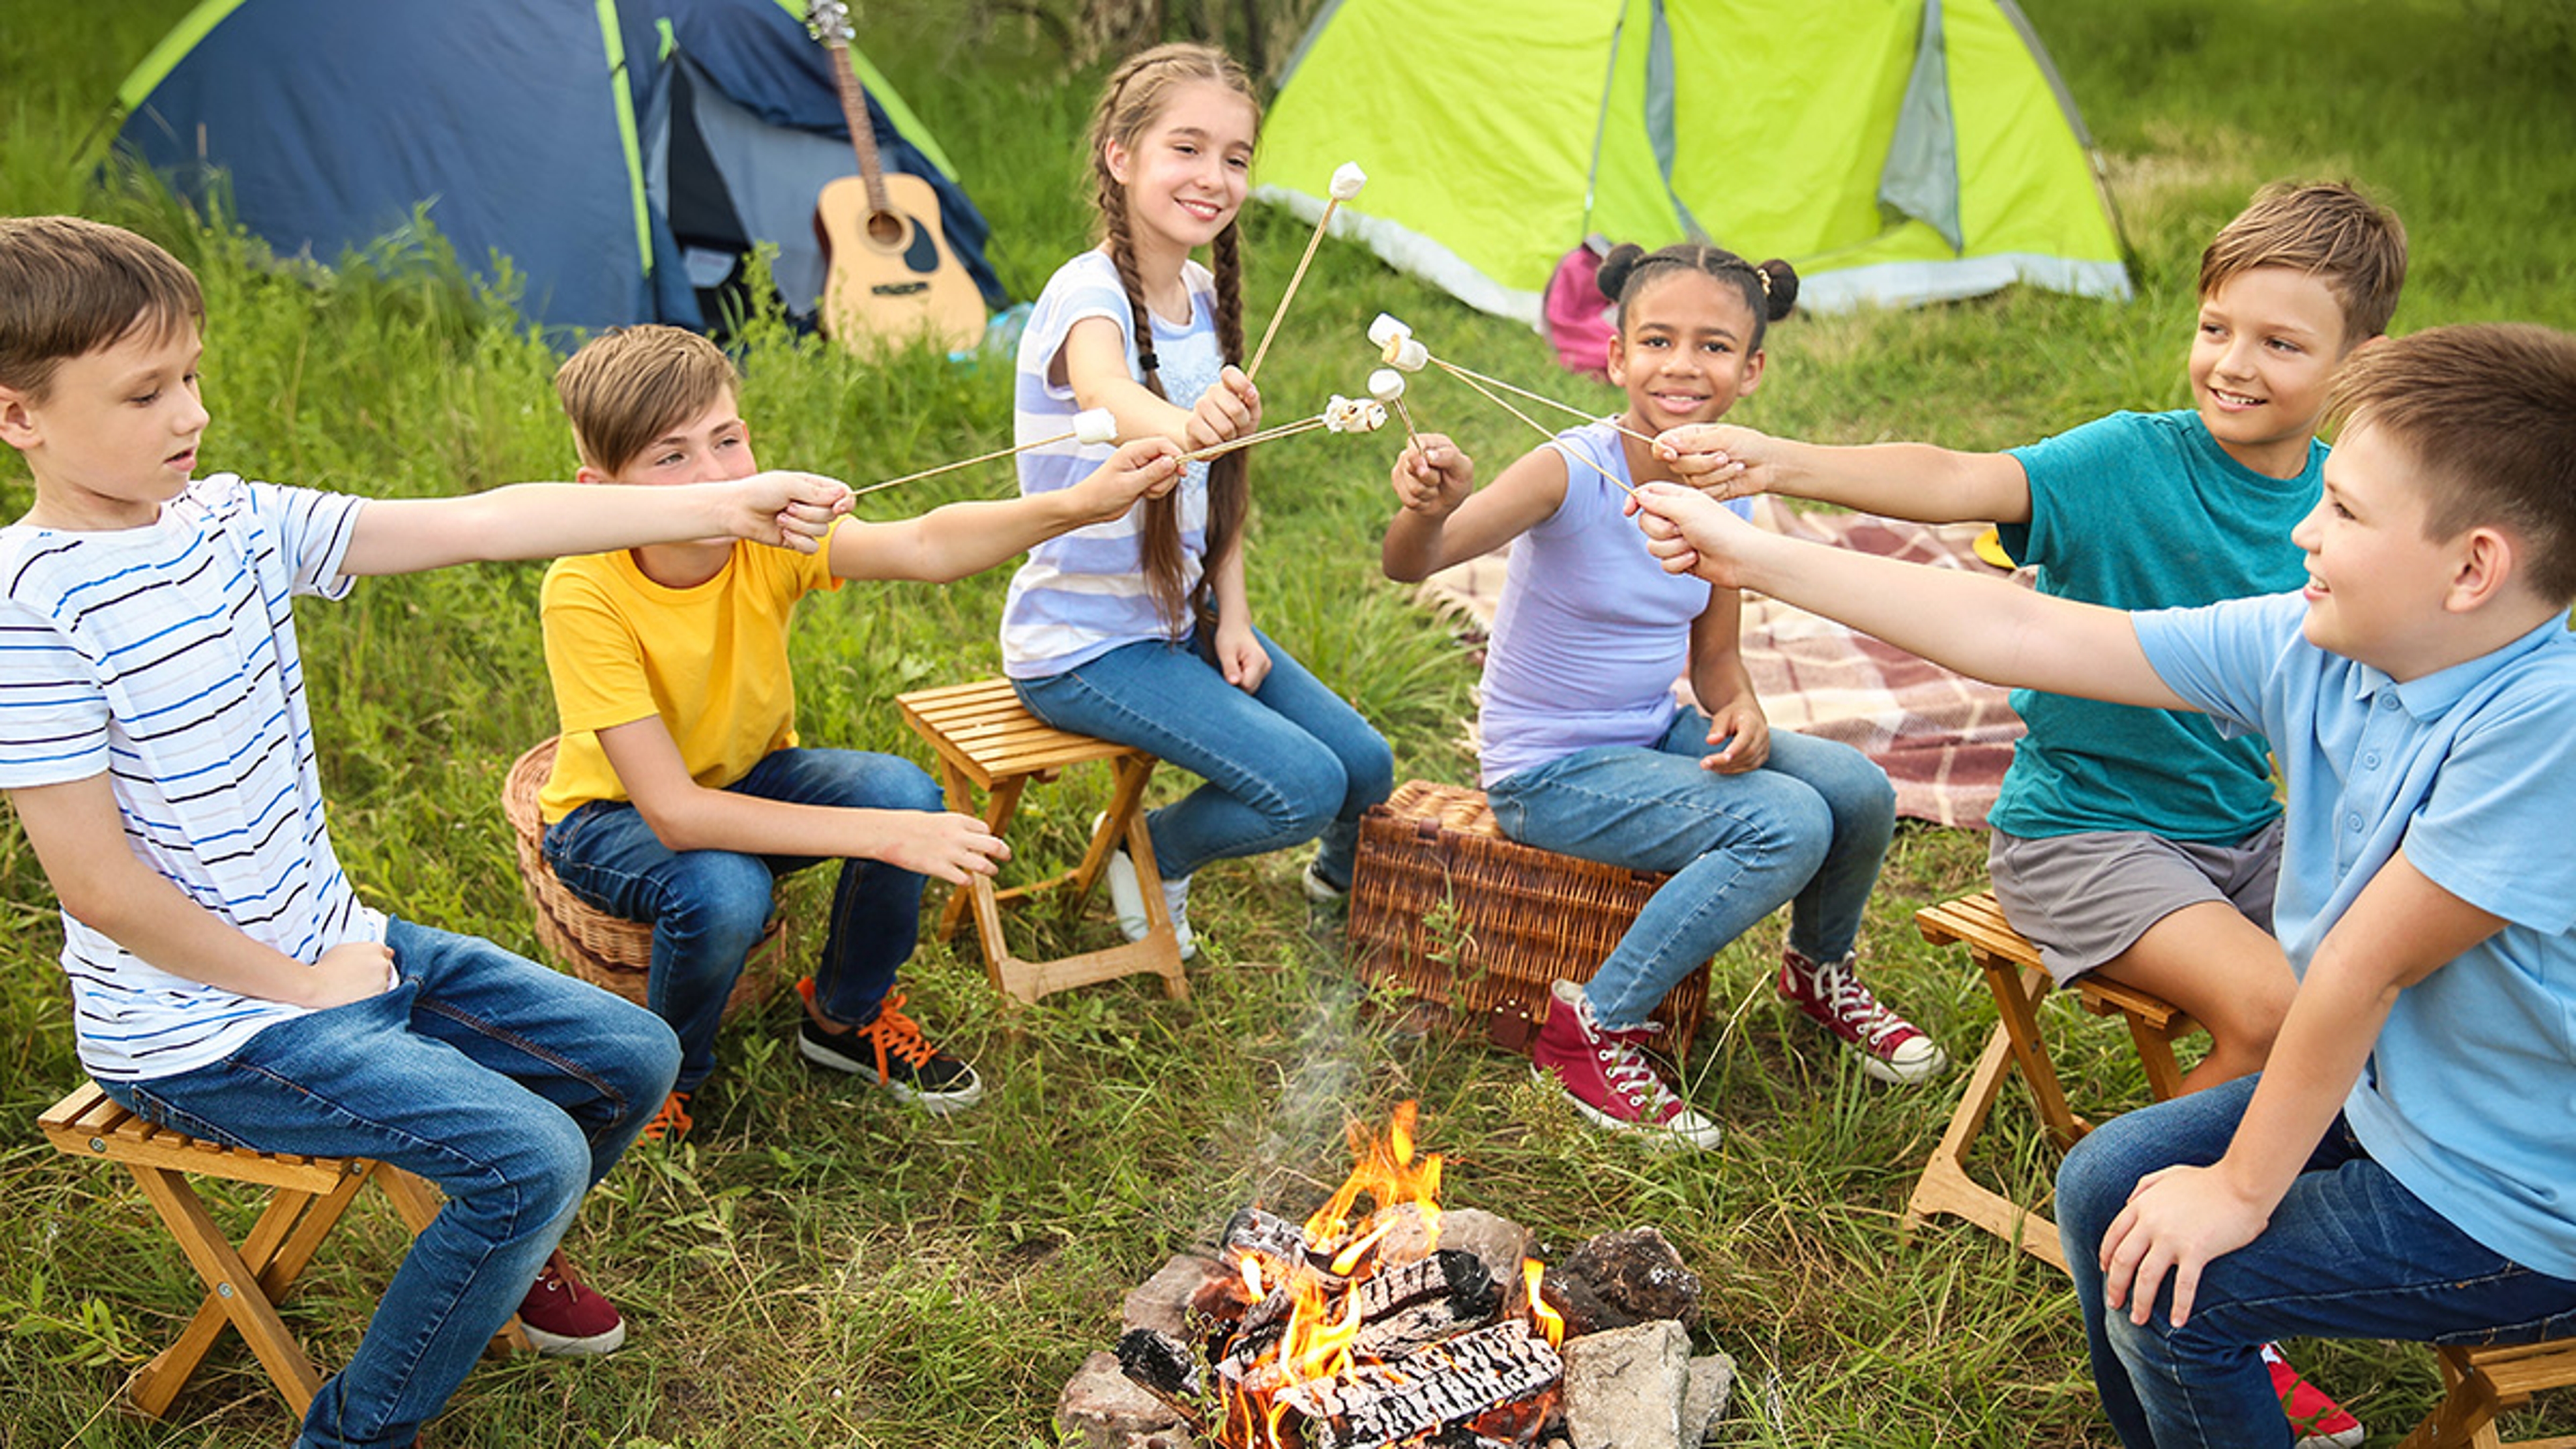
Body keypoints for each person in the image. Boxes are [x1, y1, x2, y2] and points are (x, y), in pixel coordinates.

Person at [1631, 322, 2576, 1449]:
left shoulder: (2546, 728)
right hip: (2398, 1106)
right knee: (2102, 1182)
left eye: (2348, 513)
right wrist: (1748, 555)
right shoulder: (2323, 642)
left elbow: (2366, 966)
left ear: (2473, 568)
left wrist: (2234, 1192)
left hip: (2518, 1205)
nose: (2305, 529)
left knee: (2187, 1303)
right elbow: (2026, 627)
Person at [0, 216, 853, 1448]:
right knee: (529, 1159)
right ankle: (352, 1433)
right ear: (19, 415)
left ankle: (503, 1263)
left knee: (635, 1059)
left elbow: (475, 523)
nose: (187, 413)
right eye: (143, 392)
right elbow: (99, 888)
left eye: (190, 375)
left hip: (337, 949)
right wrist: (303, 987)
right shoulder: (29, 610)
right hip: (199, 1027)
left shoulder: (231, 523)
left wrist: (731, 495)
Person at [1658, 182, 2406, 1098]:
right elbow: (1960, 477)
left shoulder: (2344, 501)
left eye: (2280, 344)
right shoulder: (2132, 459)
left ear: (2360, 362)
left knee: (2396, 985)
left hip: (2248, 833)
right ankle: (2162, 1209)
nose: (2232, 366)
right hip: (2085, 837)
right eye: (2216, 329)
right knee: (2271, 1012)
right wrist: (1779, 462)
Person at [539, 325, 1182, 1139]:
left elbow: (923, 545)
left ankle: (844, 1020)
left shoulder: (761, 535)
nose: (715, 474)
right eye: (671, 458)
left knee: (902, 791)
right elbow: (674, 814)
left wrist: (1077, 504)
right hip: (610, 819)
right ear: (600, 491)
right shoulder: (583, 589)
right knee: (729, 887)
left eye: (727, 440)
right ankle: (665, 1076)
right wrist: (886, 838)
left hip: (741, 777)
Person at [1379, 242, 1941, 1152]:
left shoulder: (1727, 488)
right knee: (1786, 823)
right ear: (1615, 356)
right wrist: (1428, 507)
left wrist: (1745, 709)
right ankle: (1591, 1028)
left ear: (1752, 370)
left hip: (1650, 731)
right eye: (1658, 341)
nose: (1683, 366)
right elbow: (1414, 562)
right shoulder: (1568, 469)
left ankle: (1817, 972)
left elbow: (1715, 656)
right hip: (1549, 772)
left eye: (1715, 347)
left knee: (1857, 789)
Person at [997, 42, 1394, 961]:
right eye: (1187, 148)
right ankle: (1154, 851)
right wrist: (1180, 424)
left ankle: (1339, 894)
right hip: (1083, 644)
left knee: (1364, 767)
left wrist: (1234, 615)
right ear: (1121, 155)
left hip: (1182, 619)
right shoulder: (1084, 294)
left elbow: (1219, 492)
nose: (1214, 177)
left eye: (1236, 157)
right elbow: (1106, 391)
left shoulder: (1206, 297)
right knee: (1302, 786)